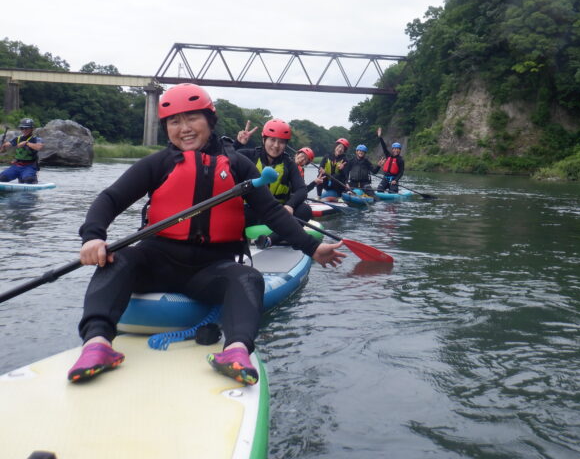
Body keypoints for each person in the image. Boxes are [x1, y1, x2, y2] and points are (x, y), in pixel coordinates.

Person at [68, 84, 345, 386]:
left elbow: (273, 213)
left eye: (192, 119)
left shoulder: (239, 165)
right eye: (174, 121)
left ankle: (236, 350)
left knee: (249, 277)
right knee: (116, 259)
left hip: (211, 268)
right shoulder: (159, 163)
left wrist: (312, 247)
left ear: (210, 121)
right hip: (155, 260)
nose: (184, 128)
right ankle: (97, 344)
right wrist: (93, 237)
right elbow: (110, 199)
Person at [234, 119, 313, 224]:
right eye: (272, 140)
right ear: (264, 140)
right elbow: (224, 159)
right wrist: (238, 144)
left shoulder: (289, 164)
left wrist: (290, 205)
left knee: (305, 210)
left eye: (281, 142)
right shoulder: (249, 155)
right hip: (250, 210)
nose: (276, 145)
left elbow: (302, 190)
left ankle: (269, 240)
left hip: (277, 212)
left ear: (285, 145)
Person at [0, 118, 43, 184]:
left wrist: (26, 143)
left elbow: (39, 147)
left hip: (29, 166)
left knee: (28, 180)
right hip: (16, 166)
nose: (24, 130)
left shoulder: (36, 139)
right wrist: (3, 147)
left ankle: (31, 179)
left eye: (26, 128)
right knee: (1, 178)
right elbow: (7, 144)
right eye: (22, 128)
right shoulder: (18, 138)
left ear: (32, 129)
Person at [375, 127, 405, 193]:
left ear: (400, 150)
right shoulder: (388, 155)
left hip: (393, 180)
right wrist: (380, 137)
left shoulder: (400, 160)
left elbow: (401, 172)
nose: (396, 150)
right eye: (394, 149)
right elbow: (384, 147)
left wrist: (396, 180)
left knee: (392, 192)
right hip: (385, 178)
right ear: (392, 149)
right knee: (379, 190)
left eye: (398, 149)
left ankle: (393, 190)